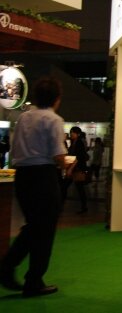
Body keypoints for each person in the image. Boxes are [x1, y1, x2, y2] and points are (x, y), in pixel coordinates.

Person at [0, 76, 69, 297]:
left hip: (23, 177)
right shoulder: (54, 120)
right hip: (43, 177)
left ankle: (8, 267)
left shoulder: (24, 117)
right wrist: (67, 165)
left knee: (33, 226)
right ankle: (32, 280)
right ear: (57, 99)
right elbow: (58, 154)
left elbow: (14, 148)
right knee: (44, 230)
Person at [63, 126, 89, 214]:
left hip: (77, 169)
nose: (71, 134)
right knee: (68, 186)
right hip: (75, 168)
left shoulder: (79, 143)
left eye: (73, 132)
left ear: (77, 134)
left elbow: (78, 157)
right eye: (71, 132)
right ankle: (84, 207)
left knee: (78, 188)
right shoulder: (74, 142)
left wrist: (70, 169)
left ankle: (84, 207)